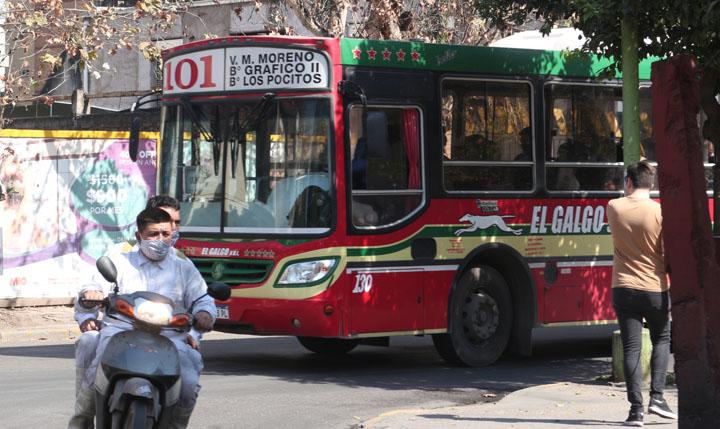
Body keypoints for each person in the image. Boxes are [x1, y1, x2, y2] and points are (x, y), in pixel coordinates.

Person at [69, 199, 208, 429]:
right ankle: (81, 422)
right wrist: (91, 295)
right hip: (121, 331)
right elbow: (93, 285)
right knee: (94, 370)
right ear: (139, 234)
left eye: (166, 233)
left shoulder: (183, 265)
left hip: (170, 337)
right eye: (153, 234)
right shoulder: (120, 257)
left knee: (189, 383)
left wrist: (204, 314)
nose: (161, 240)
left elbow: (202, 298)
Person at [607, 160, 677, 426]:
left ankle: (635, 411)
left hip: (623, 286)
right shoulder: (660, 212)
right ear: (652, 183)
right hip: (655, 287)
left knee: (632, 347)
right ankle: (657, 398)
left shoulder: (614, 207)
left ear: (628, 182)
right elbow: (667, 250)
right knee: (662, 339)